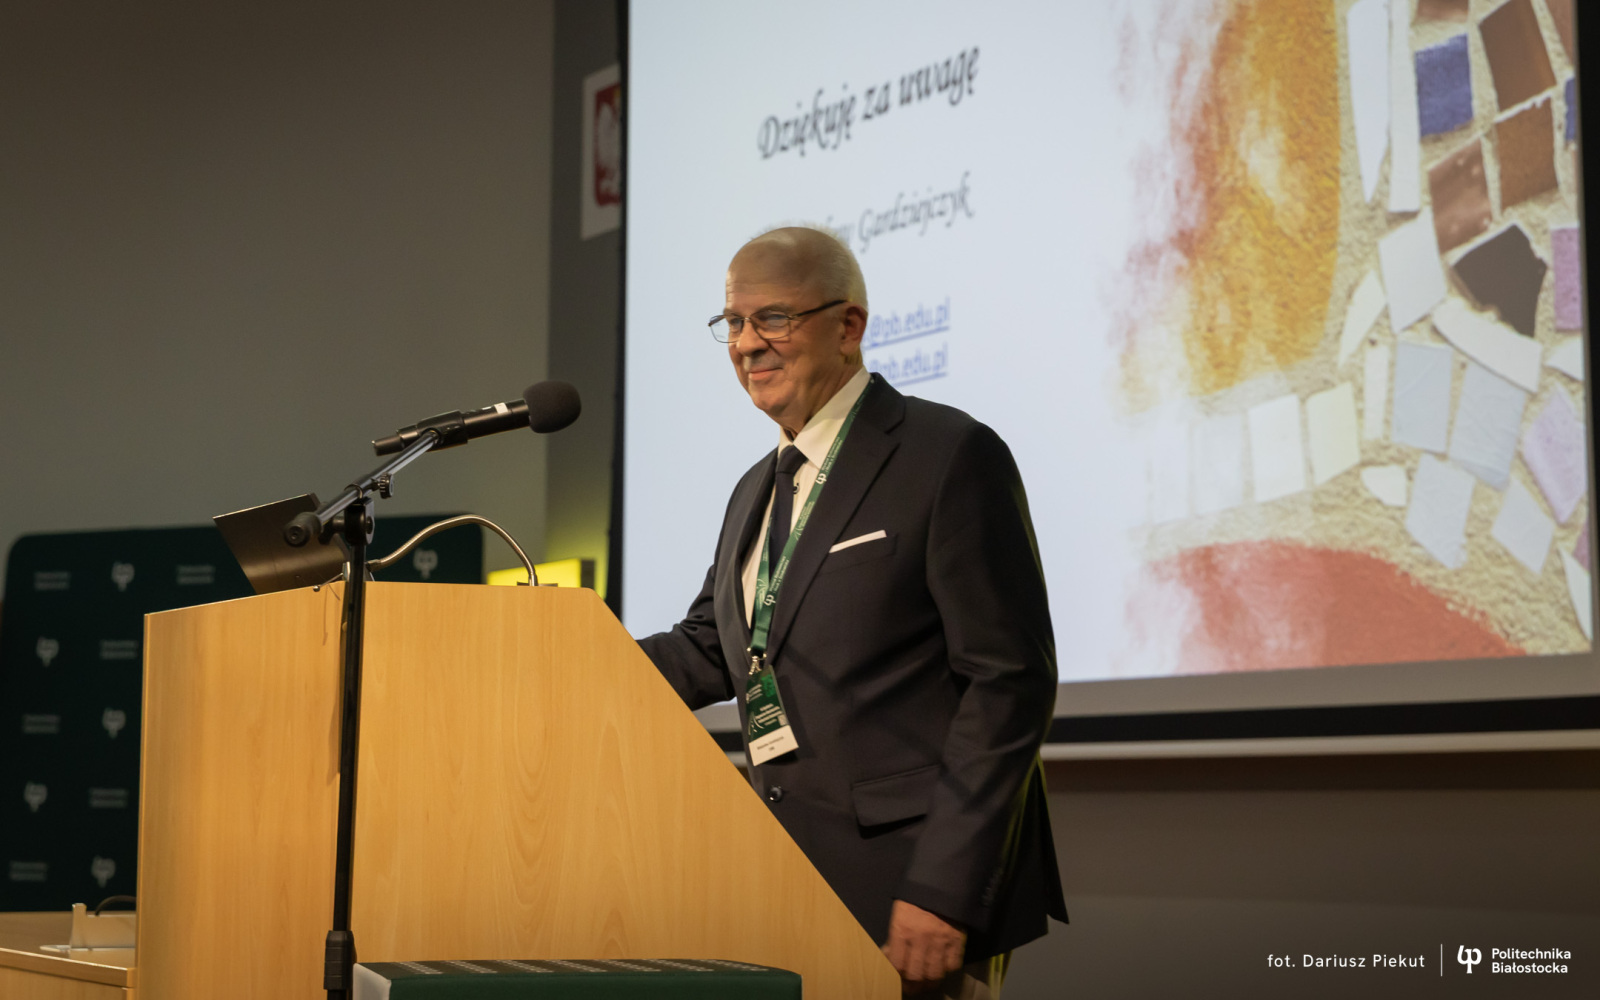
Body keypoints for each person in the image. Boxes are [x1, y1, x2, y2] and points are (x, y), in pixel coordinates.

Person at [638, 226, 1066, 996]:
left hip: (913, 893)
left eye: (773, 318)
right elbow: (711, 648)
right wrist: (568, 655)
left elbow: (1009, 683)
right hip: (789, 883)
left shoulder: (947, 454)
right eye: (733, 322)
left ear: (848, 327)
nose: (747, 344)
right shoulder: (754, 488)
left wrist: (944, 887)